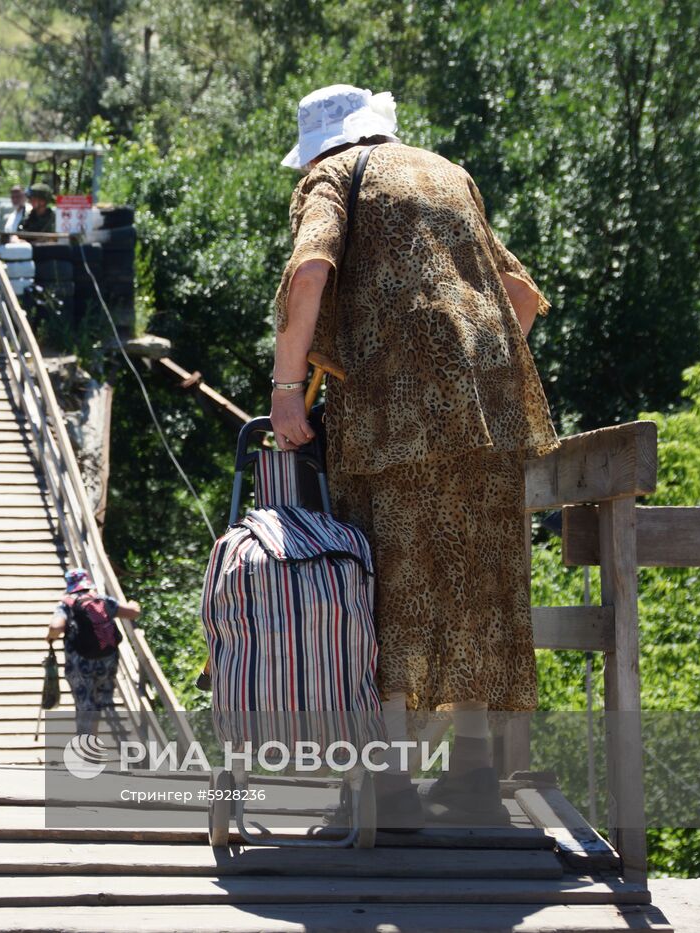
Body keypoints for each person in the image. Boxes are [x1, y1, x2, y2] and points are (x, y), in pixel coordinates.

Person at [269, 84, 559, 827]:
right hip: (492, 416)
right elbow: (519, 296)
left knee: (389, 590)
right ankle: (472, 776)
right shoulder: (447, 172)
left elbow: (309, 272)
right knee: (479, 585)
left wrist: (287, 385)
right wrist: (470, 375)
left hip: (394, 417)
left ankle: (390, 789)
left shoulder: (332, 176)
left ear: (321, 143)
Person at [45, 568, 141, 736]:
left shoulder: (67, 605)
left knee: (85, 704)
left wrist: (50, 637)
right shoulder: (103, 601)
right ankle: (92, 739)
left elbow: (56, 627)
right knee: (97, 703)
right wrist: (134, 604)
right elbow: (133, 612)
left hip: (80, 662)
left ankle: (86, 745)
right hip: (107, 659)